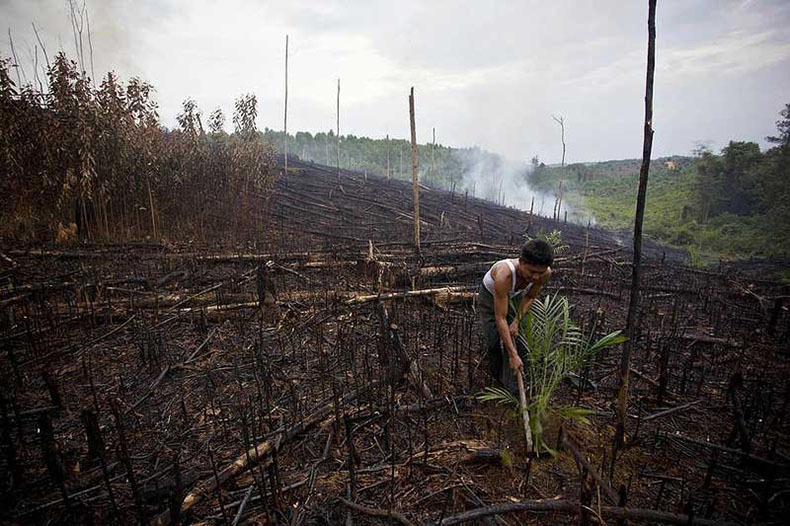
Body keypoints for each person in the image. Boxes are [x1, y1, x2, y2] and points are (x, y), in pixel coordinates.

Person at [478, 239, 553, 393]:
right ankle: (496, 377)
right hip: (490, 295)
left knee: (516, 339)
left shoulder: (545, 274)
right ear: (521, 262)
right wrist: (513, 355)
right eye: (532, 271)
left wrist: (517, 321)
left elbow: (530, 297)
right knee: (493, 340)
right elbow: (500, 318)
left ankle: (511, 387)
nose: (536, 278)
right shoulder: (504, 276)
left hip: (514, 296)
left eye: (540, 273)